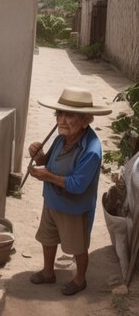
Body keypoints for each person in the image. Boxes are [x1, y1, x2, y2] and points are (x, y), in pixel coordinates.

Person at [27, 87, 112, 296]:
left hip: (75, 209)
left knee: (78, 248)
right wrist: (39, 156)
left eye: (70, 115)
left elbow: (77, 185)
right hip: (52, 201)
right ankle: (48, 273)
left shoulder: (90, 150)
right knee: (48, 239)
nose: (62, 120)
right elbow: (50, 162)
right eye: (60, 114)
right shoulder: (60, 138)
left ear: (85, 120)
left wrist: (47, 176)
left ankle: (80, 280)